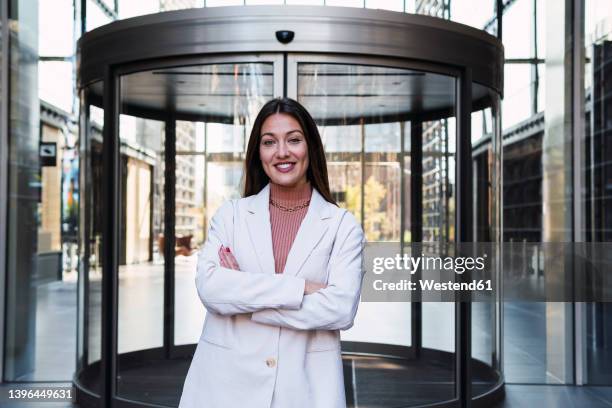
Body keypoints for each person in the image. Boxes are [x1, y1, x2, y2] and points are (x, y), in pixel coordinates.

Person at [178, 98, 365, 408]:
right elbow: (211, 288)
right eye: (269, 142)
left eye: (293, 140)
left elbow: (341, 309)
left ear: (310, 148)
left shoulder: (342, 225)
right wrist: (301, 288)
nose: (282, 152)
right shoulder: (232, 216)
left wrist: (244, 300)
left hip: (304, 390)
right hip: (225, 387)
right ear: (258, 153)